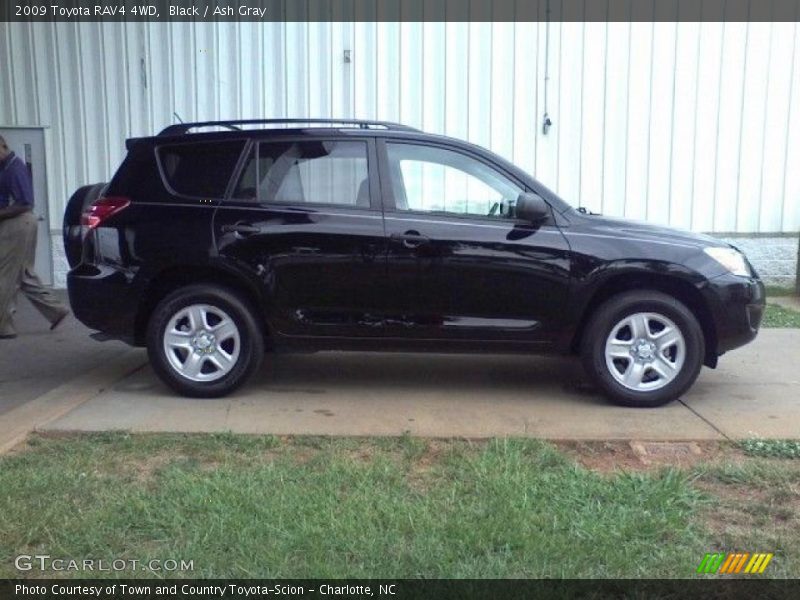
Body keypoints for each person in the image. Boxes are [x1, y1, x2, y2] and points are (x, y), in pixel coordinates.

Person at [0, 135, 68, 339]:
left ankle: (4, 326)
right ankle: (55, 310)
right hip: (18, 224)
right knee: (24, 273)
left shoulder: (14, 166)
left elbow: (26, 202)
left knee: (5, 276)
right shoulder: (5, 167)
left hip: (18, 223)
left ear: (3, 145)